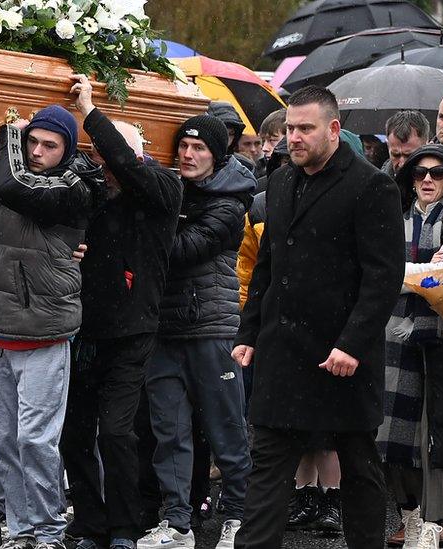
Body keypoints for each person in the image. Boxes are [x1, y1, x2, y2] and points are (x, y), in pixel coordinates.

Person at [232, 85, 404, 549]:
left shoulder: (372, 185)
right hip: (283, 351)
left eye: (305, 128)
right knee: (267, 465)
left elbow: (383, 278)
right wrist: (249, 331)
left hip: (342, 355)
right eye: (289, 128)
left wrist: (351, 344)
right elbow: (268, 264)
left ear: (333, 129)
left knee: (359, 467)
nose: (294, 137)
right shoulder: (281, 181)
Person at [0, 104, 104, 549]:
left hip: (44, 332)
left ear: (67, 150)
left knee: (35, 440)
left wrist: (9, 125)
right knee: (4, 441)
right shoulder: (8, 184)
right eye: (32, 141)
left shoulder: (72, 187)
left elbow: (12, 184)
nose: (36, 151)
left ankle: (49, 533)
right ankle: (22, 530)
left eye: (50, 145)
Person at [60, 75, 183, 549]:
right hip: (84, 330)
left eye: (107, 159)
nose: (102, 167)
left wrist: (90, 111)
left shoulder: (162, 189)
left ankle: (125, 527)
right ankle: (90, 523)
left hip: (132, 331)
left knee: (116, 433)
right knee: (74, 435)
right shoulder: (91, 193)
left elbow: (128, 166)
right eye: (95, 159)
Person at [137, 114, 254, 549]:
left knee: (226, 432)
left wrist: (145, 222)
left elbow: (184, 249)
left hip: (211, 330)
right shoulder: (172, 191)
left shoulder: (231, 201)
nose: (188, 155)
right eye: (183, 147)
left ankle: (239, 518)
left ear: (216, 153)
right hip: (164, 330)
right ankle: (177, 524)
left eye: (199, 148)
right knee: (169, 433)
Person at [378, 144, 443, 549]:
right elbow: (410, 271)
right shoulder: (394, 216)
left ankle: (435, 523)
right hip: (392, 334)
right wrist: (420, 274)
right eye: (420, 173)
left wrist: (400, 273)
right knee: (390, 434)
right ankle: (411, 516)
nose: (428, 180)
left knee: (435, 433)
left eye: (437, 173)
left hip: (442, 337)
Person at [384, 110, 430, 178]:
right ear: (388, 146)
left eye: (409, 156)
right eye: (396, 155)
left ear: (427, 147)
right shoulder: (379, 185)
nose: (402, 164)